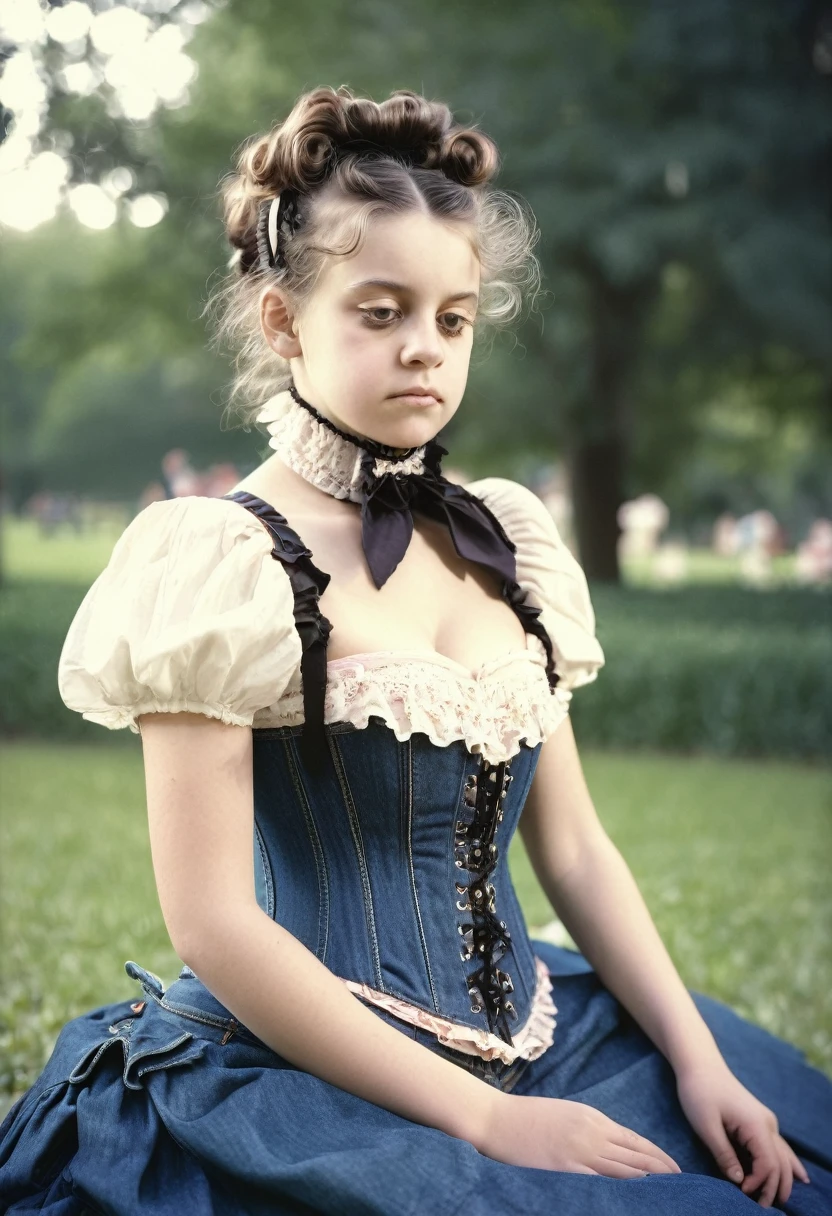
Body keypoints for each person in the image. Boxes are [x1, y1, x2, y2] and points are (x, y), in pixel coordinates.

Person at [1, 85, 828, 1215]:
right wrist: (487, 1118)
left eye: (453, 318)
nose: (425, 352)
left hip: (543, 1029)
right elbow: (212, 920)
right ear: (285, 322)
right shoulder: (218, 560)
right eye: (380, 312)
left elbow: (574, 852)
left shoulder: (508, 544)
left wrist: (695, 1058)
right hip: (304, 1070)